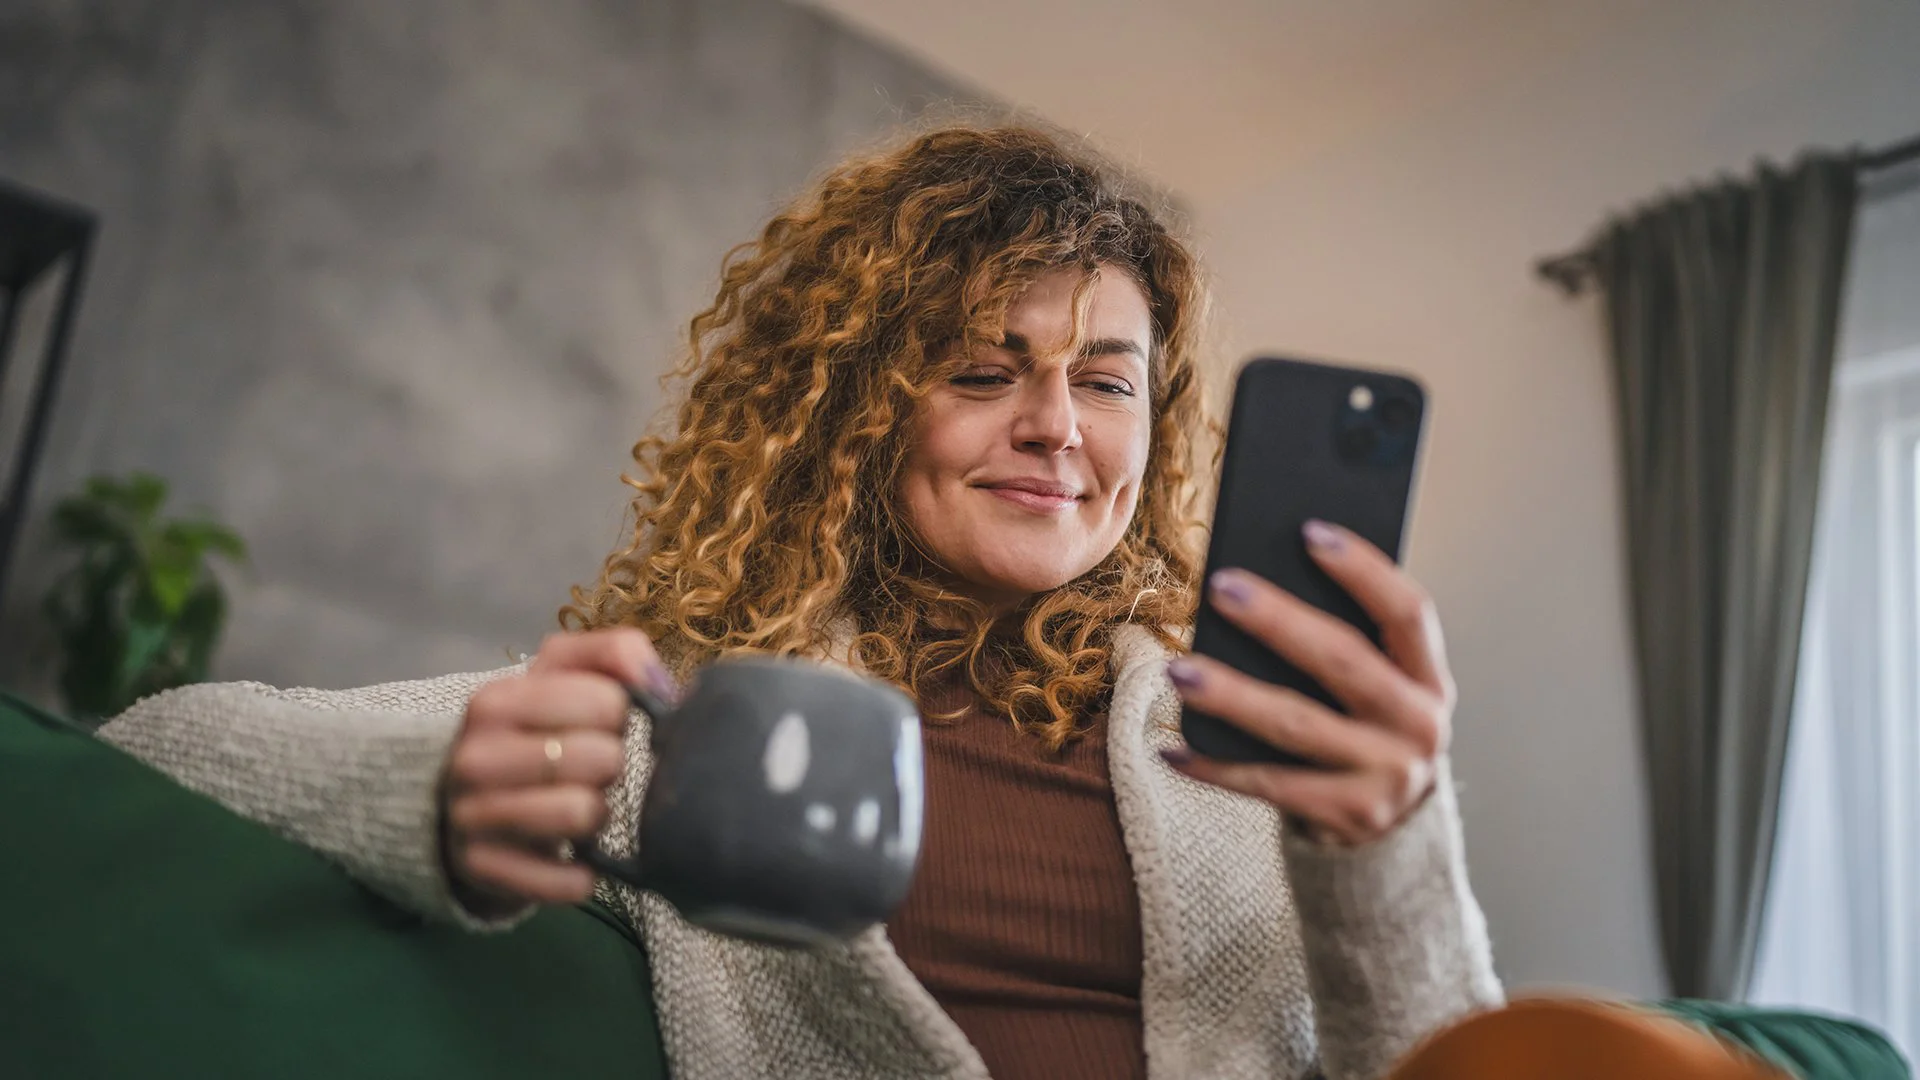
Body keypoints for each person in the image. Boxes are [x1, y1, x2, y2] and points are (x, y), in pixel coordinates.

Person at [100, 122, 1502, 1080]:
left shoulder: (1256, 750)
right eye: (979, 368)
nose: (1056, 428)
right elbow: (166, 743)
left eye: (1105, 381)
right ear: (855, 410)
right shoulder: (706, 727)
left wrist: (1388, 850)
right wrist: (437, 793)